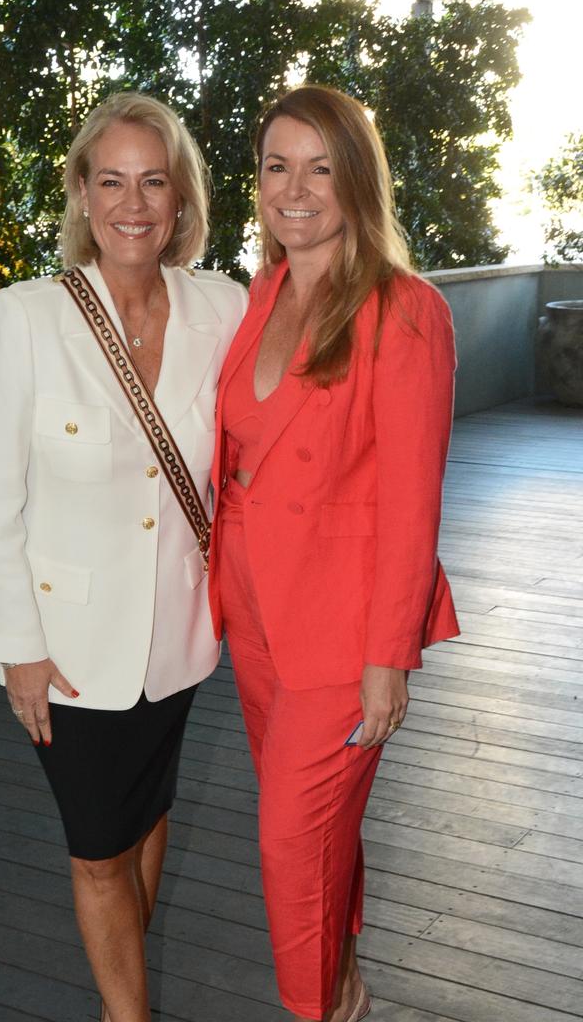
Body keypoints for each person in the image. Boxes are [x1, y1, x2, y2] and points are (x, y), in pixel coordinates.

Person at [0, 91, 247, 1022]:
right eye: (113, 181)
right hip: (70, 647)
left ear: (180, 200)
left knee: (147, 813)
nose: (134, 203)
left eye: (154, 181)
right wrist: (18, 646)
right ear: (83, 196)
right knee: (98, 845)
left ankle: (115, 998)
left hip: (179, 633)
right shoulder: (29, 315)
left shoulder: (223, 307)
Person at [207, 84, 460, 1022]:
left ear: (358, 180)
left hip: (345, 634)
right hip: (260, 617)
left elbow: (411, 504)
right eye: (278, 166)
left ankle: (312, 1007)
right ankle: (343, 986)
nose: (296, 188)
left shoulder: (406, 310)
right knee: (318, 834)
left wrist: (387, 658)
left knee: (287, 845)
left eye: (321, 167)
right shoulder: (262, 293)